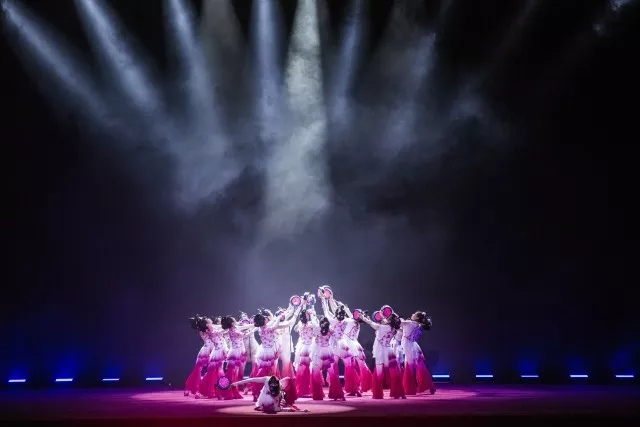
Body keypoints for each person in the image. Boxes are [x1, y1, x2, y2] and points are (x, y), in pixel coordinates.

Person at [361, 311, 406, 399]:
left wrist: (363, 318)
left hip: (380, 351)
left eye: (387, 318)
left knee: (379, 373)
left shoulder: (382, 327)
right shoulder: (394, 329)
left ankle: (378, 394)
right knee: (394, 372)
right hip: (389, 350)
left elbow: (371, 323)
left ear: (389, 321)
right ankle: (399, 392)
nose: (385, 318)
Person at [400, 311, 436, 394]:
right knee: (421, 367)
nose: (412, 314)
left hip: (409, 346)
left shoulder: (409, 323)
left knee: (409, 367)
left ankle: (409, 389)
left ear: (417, 318)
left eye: (414, 314)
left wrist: (394, 318)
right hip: (414, 346)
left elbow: (399, 323)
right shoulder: (419, 325)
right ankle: (429, 386)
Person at [311, 316, 344, 401]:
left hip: (327, 353)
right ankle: (318, 394)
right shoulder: (316, 328)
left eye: (325, 323)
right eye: (322, 323)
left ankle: (337, 393)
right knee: (316, 374)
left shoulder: (331, 330)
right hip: (317, 353)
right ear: (320, 324)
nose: (324, 324)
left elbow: (338, 337)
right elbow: (313, 320)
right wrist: (312, 313)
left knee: (332, 374)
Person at [220, 315, 254, 399]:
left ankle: (233, 392)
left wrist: (253, 325)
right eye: (234, 320)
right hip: (235, 353)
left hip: (238, 351)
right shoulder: (234, 330)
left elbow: (244, 327)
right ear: (232, 323)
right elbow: (245, 335)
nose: (236, 321)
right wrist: (254, 329)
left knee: (234, 374)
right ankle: (226, 392)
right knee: (231, 374)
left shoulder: (234, 328)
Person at [229, 375, 303, 413]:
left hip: (276, 394)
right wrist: (235, 384)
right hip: (266, 397)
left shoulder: (279, 387)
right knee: (271, 404)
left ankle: (286, 401)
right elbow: (250, 380)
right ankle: (264, 406)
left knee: (288, 379)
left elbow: (278, 406)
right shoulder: (266, 379)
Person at [199, 317, 228, 399]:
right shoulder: (211, 332)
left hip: (219, 351)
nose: (211, 322)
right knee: (217, 372)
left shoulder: (212, 328)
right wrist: (228, 327)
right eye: (210, 322)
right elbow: (223, 330)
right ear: (207, 325)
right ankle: (217, 392)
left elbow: (220, 327)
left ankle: (217, 392)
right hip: (218, 352)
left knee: (216, 372)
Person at [184, 315, 213, 396]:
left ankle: (190, 388)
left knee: (197, 370)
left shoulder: (202, 330)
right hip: (208, 351)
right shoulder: (209, 331)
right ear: (206, 324)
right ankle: (198, 390)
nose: (212, 324)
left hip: (205, 350)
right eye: (210, 322)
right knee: (199, 371)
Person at [293, 308, 317, 397]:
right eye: (307, 314)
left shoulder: (303, 323)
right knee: (305, 368)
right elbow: (316, 327)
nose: (308, 315)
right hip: (305, 347)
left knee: (310, 368)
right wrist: (313, 315)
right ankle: (304, 390)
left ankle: (308, 390)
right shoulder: (310, 324)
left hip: (309, 346)